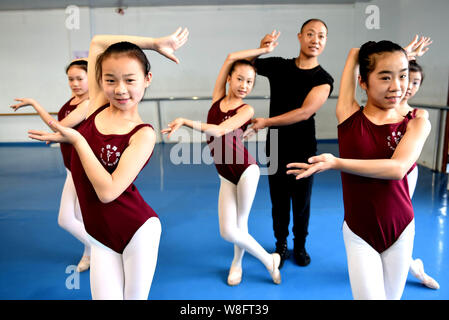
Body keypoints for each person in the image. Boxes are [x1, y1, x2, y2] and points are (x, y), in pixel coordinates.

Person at [28, 27, 189, 299]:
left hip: (137, 230)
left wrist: (77, 140)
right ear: (100, 82)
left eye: (130, 79)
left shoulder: (143, 134)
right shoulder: (98, 106)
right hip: (100, 236)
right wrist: (153, 42)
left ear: (147, 79)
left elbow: (108, 192)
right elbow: (98, 42)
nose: (120, 89)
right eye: (110, 80)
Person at [286, 39, 432, 299]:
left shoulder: (416, 122)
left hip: (401, 228)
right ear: (363, 81)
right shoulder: (348, 114)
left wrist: (336, 162)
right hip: (359, 232)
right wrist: (400, 55)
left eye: (403, 76)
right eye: (385, 77)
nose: (397, 87)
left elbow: (397, 168)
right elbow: (354, 52)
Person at [162, 44, 281, 286]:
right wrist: (261, 49)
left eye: (249, 82)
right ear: (228, 78)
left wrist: (185, 120)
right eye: (239, 78)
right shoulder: (217, 99)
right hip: (225, 175)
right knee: (229, 230)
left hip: (246, 170)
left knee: (238, 226)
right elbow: (229, 56)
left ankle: (242, 264)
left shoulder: (246, 109)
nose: (244, 85)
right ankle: (269, 260)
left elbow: (219, 130)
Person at [249, 20, 334, 268]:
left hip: (303, 146)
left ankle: (300, 245)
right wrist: (261, 48)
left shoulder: (323, 78)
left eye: (321, 36)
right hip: (275, 144)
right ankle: (281, 244)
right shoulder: (279, 66)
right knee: (278, 198)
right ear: (299, 37)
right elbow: (248, 65)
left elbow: (305, 112)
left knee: (301, 200)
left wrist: (266, 121)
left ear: (325, 41)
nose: (315, 39)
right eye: (310, 34)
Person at [10, 59, 91, 272]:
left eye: (80, 78)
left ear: (91, 78)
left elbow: (59, 126)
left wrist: (35, 104)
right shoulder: (73, 99)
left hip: (81, 167)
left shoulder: (88, 103)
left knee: (65, 219)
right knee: (81, 216)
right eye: (71, 79)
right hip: (70, 166)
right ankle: (90, 254)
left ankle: (104, 249)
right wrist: (55, 136)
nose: (74, 83)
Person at [397, 47, 439, 289]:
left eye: (416, 82)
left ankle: (414, 268)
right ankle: (412, 266)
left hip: (405, 173)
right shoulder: (380, 111)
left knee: (401, 223)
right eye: (406, 79)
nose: (410, 86)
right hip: (377, 174)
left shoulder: (418, 114)